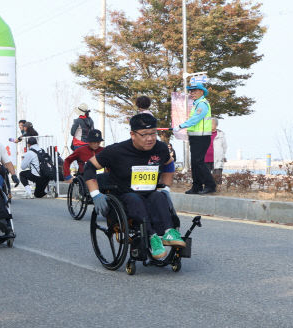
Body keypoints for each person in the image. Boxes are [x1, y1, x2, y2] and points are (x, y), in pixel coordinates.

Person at [84, 113, 185, 260]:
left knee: (160, 196)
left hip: (149, 193)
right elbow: (89, 167)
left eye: (153, 134)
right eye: (144, 135)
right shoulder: (116, 151)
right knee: (134, 199)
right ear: (133, 134)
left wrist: (166, 188)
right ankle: (152, 237)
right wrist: (95, 194)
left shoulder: (161, 148)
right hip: (124, 194)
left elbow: (169, 164)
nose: (150, 139)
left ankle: (169, 232)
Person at [173, 82, 217, 195]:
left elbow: (196, 119)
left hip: (202, 137)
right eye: (191, 91)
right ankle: (196, 186)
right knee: (195, 163)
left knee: (199, 162)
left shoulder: (202, 104)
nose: (191, 93)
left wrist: (181, 126)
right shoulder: (196, 104)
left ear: (201, 92)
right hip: (195, 137)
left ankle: (210, 185)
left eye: (194, 91)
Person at [208, 118, 227, 185]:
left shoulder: (221, 134)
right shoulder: (205, 133)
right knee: (206, 176)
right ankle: (208, 188)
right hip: (206, 158)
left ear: (216, 125)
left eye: (212, 123)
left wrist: (222, 155)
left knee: (217, 176)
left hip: (217, 158)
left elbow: (224, 146)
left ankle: (217, 189)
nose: (210, 125)